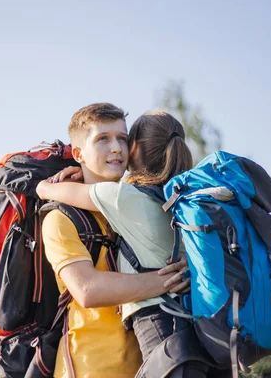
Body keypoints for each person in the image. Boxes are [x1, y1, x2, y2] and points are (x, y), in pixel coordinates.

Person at [38, 108, 221, 377]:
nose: (116, 149)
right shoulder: (60, 218)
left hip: (154, 360)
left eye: (123, 139)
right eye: (103, 139)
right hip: (91, 368)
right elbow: (88, 291)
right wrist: (169, 281)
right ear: (78, 154)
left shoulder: (139, 202)